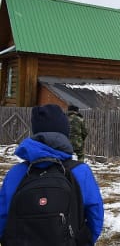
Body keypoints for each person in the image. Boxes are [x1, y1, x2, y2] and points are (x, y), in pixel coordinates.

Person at [0, 104, 104, 245]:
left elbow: (3, 217)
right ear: (65, 133)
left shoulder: (16, 173)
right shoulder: (80, 171)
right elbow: (95, 214)